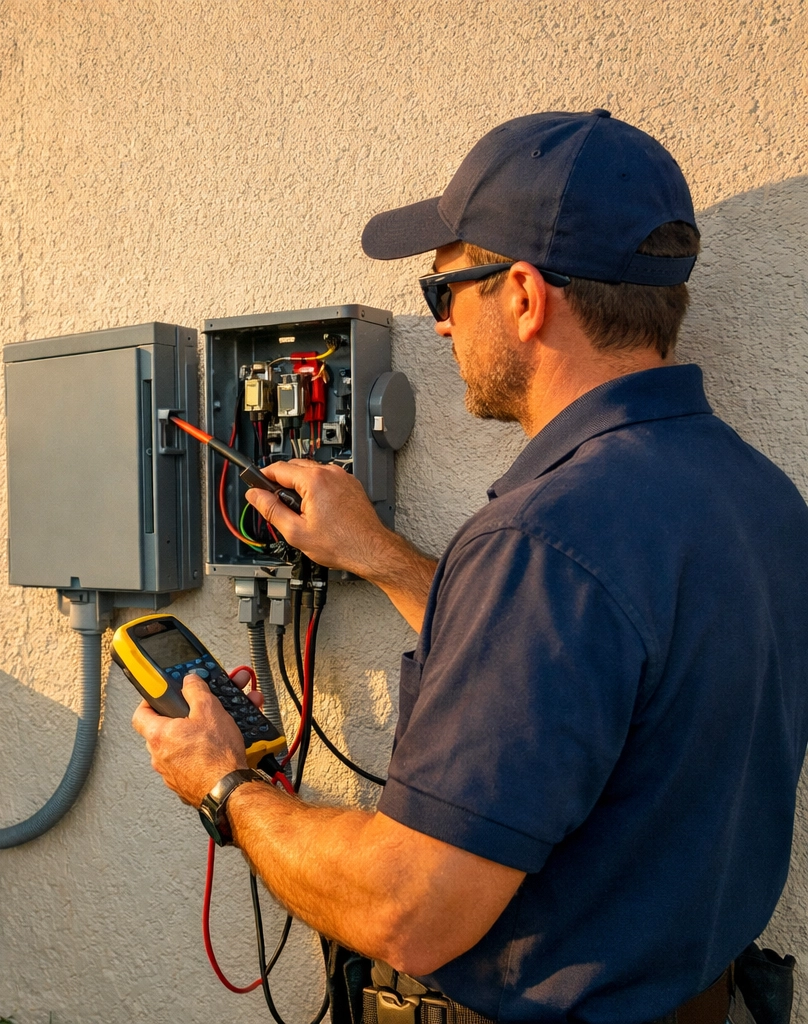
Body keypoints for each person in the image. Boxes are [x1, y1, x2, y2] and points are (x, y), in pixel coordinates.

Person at [133, 109, 808, 1024]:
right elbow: (569, 675)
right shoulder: (758, 495)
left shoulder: (544, 541)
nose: (442, 327)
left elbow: (407, 912)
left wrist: (225, 786)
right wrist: (378, 555)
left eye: (443, 289)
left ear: (524, 296)